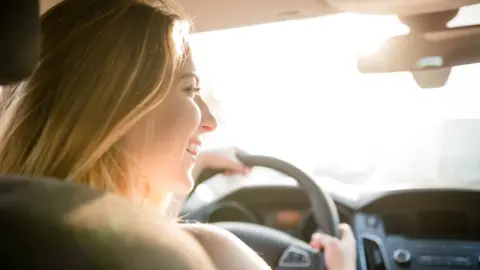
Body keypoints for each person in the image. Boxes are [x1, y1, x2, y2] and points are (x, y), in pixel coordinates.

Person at [0, 0, 355, 269]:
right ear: (118, 107)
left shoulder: (19, 229)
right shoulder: (205, 253)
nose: (210, 120)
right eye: (189, 89)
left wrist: (196, 162)